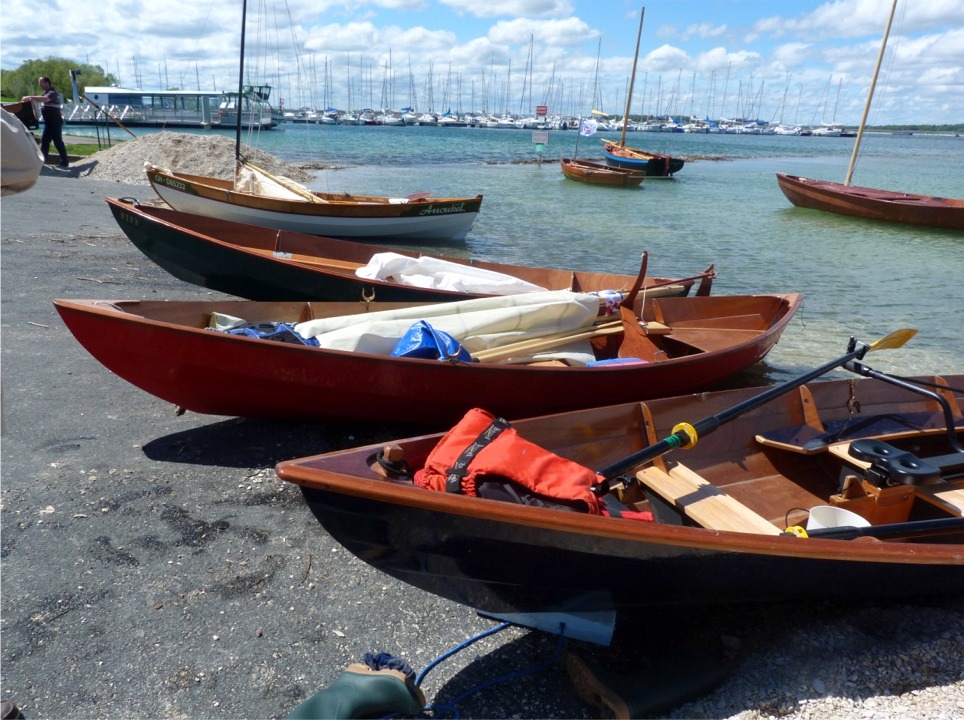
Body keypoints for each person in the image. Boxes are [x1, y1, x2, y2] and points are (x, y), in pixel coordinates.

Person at [21, 76, 69, 168]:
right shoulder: (44, 93)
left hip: (54, 121)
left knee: (57, 141)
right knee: (45, 141)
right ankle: (42, 161)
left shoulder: (52, 93)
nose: (40, 85)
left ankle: (65, 162)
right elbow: (40, 98)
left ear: (47, 83)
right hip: (49, 122)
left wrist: (30, 97)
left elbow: (45, 99)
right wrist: (32, 100)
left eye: (41, 83)